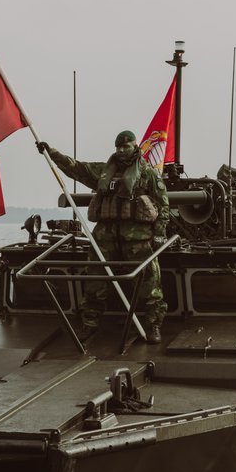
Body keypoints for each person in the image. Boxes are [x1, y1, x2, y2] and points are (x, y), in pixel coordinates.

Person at [36, 131, 169, 343]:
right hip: (105, 236)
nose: (122, 151)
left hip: (138, 238)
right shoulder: (103, 171)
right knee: (95, 281)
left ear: (135, 147)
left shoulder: (148, 174)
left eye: (126, 147)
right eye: (119, 147)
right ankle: (90, 323)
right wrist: (52, 153)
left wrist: (160, 234)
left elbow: (163, 206)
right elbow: (76, 168)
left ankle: (153, 324)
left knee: (149, 283)